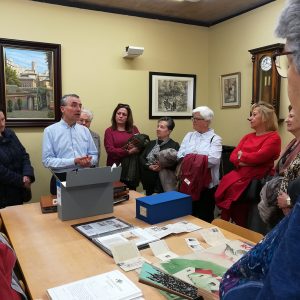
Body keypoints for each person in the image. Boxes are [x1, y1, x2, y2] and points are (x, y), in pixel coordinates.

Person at [220, 1, 300, 298]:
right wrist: (242, 157)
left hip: (258, 194)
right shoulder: (278, 140)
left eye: (287, 61)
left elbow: (257, 159)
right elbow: (236, 156)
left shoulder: (274, 138)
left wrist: (244, 157)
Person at [215, 102, 281, 227]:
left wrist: (242, 156)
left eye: (254, 115)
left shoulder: (273, 138)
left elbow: (259, 157)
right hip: (238, 177)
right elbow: (233, 156)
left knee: (246, 220)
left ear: (265, 117)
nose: (250, 118)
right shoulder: (247, 136)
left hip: (255, 184)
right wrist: (245, 159)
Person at [42, 94, 98, 195]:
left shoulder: (85, 131)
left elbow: (94, 155)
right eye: (74, 105)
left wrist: (89, 161)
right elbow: (47, 161)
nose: (78, 109)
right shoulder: (50, 131)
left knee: (85, 208)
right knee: (61, 210)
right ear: (62, 109)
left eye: (80, 106)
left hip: (84, 177)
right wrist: (74, 161)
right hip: (61, 178)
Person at [177, 106, 222, 223]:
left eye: (196, 118)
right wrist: (198, 159)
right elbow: (180, 155)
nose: (194, 121)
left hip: (206, 186)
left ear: (206, 121)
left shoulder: (215, 139)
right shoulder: (189, 136)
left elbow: (213, 160)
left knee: (204, 218)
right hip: (188, 183)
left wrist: (191, 158)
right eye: (193, 118)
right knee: (187, 216)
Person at [258, 106, 300, 228]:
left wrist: (289, 201)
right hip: (279, 205)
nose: (286, 120)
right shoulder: (293, 142)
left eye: (291, 116)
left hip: (292, 208)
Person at [0, 109, 35, 208]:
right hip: (3, 194)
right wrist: (22, 181)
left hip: (18, 192)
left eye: (3, 119)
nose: (2, 124)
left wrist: (27, 175)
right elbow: (2, 172)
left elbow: (24, 155)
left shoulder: (10, 133)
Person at [140, 117, 179, 195]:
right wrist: (149, 166)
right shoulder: (151, 143)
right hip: (148, 182)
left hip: (163, 184)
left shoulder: (174, 145)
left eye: (162, 127)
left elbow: (177, 165)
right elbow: (141, 158)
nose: (158, 129)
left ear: (169, 131)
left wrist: (163, 167)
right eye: (158, 126)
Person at [104, 103, 140, 189]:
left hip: (131, 169)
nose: (121, 116)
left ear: (128, 117)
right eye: (118, 113)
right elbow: (110, 151)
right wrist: (128, 151)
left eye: (124, 114)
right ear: (115, 115)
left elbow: (139, 145)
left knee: (131, 194)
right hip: (115, 168)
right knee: (115, 195)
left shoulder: (134, 129)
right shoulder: (109, 131)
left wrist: (136, 149)